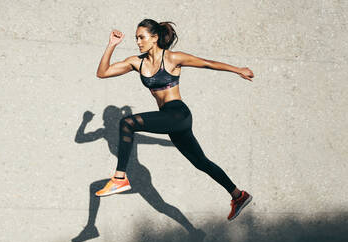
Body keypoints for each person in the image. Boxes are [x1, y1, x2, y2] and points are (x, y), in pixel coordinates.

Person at [95, 19, 255, 221]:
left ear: (154, 38)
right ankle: (238, 195)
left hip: (178, 114)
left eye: (141, 37)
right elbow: (102, 73)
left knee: (127, 123)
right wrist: (111, 45)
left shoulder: (172, 58)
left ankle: (119, 178)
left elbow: (207, 63)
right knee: (200, 162)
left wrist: (238, 69)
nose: (138, 41)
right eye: (136, 38)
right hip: (169, 120)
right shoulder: (137, 62)